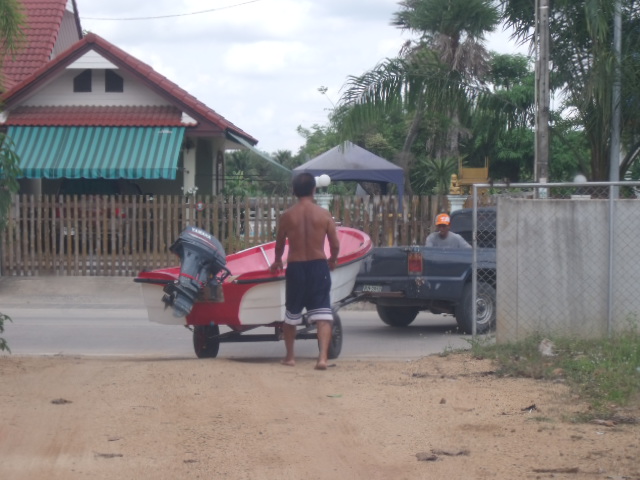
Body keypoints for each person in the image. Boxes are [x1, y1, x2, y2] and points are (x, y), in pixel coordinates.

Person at [269, 173, 340, 370]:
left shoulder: (287, 216)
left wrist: (276, 262)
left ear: (294, 191)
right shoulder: (324, 215)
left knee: (291, 314)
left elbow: (279, 245)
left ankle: (290, 357)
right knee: (323, 315)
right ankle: (322, 358)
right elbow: (335, 243)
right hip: (318, 266)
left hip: (296, 266)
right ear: (313, 190)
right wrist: (333, 260)